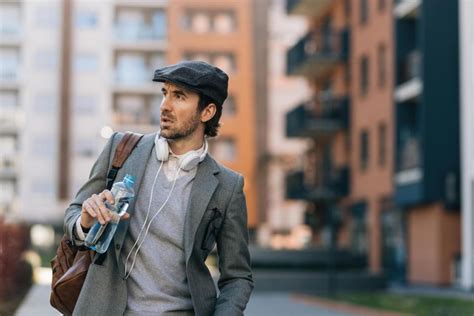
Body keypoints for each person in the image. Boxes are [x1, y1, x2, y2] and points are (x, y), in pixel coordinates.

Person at [63, 61, 254, 315]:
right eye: (165, 93)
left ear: (207, 112)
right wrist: (84, 222)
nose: (165, 105)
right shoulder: (121, 149)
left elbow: (238, 277)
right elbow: (74, 214)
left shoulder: (228, 187)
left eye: (179, 96)